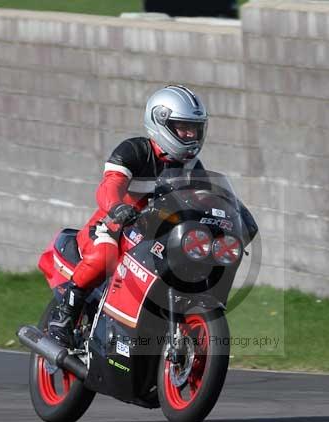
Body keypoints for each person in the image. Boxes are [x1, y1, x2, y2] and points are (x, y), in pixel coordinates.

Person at [48, 85, 210, 347]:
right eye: (183, 127)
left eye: (195, 128)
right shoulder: (135, 151)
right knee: (104, 256)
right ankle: (64, 314)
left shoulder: (194, 169)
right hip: (114, 227)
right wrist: (117, 207)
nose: (191, 134)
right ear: (161, 122)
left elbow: (207, 200)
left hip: (157, 237)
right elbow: (110, 184)